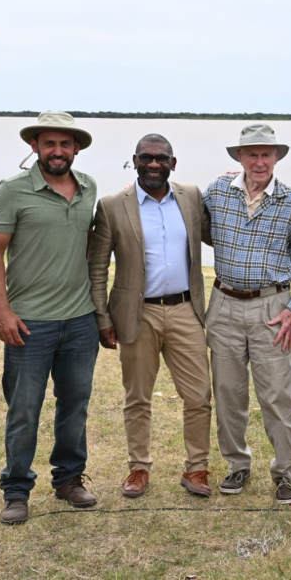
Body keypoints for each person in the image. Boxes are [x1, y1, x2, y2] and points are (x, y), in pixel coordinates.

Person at [0, 112, 100, 525]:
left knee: (75, 406)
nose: (57, 151)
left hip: (81, 321)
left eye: (64, 144)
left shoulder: (88, 188)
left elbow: (87, 245)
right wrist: (3, 310)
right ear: (34, 146)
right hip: (29, 323)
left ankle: (69, 480)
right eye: (49, 143)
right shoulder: (13, 190)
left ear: (76, 149)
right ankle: (16, 490)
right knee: (24, 410)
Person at [88, 134, 214, 499]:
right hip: (136, 314)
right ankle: (138, 468)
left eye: (161, 159)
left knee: (199, 396)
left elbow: (215, 232)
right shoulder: (112, 205)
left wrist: (235, 186)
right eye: (146, 158)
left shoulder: (191, 196)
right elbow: (98, 269)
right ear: (135, 160)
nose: (153, 164)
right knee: (138, 397)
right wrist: (103, 317)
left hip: (186, 311)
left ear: (173, 163)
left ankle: (197, 469)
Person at [203, 123, 291, 505]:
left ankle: (285, 474)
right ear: (239, 157)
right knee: (227, 393)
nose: (259, 161)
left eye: (265, 154)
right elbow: (198, 228)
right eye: (251, 154)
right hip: (222, 305)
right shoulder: (218, 192)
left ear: (276, 158)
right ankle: (237, 465)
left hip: (273, 307)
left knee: (276, 396)